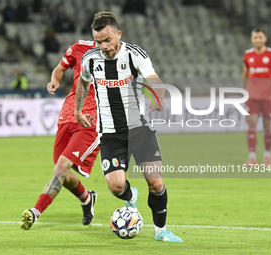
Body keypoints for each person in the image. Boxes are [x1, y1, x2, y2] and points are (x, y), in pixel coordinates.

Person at [75, 11, 183, 242]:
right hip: (110, 134)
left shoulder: (135, 54)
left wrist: (158, 95)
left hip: (139, 129)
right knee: (116, 186)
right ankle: (130, 194)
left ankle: (161, 231)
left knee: (155, 183)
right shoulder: (90, 59)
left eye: (107, 40)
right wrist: (78, 110)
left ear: (118, 34)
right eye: (99, 42)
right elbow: (83, 82)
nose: (104, 46)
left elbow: (153, 78)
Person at [21, 39, 99, 230]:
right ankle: (87, 199)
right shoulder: (79, 47)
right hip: (67, 116)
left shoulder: (120, 56)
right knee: (61, 173)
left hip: (91, 119)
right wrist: (55, 80)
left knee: (62, 167)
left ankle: (35, 211)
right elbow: (59, 69)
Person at [242, 28, 271, 166]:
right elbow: (245, 73)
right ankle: (252, 158)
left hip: (268, 95)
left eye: (260, 37)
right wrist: (245, 91)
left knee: (267, 126)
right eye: (255, 37)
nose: (258, 40)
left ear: (265, 39)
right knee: (252, 124)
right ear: (252, 39)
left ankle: (267, 156)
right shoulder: (248, 55)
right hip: (253, 95)